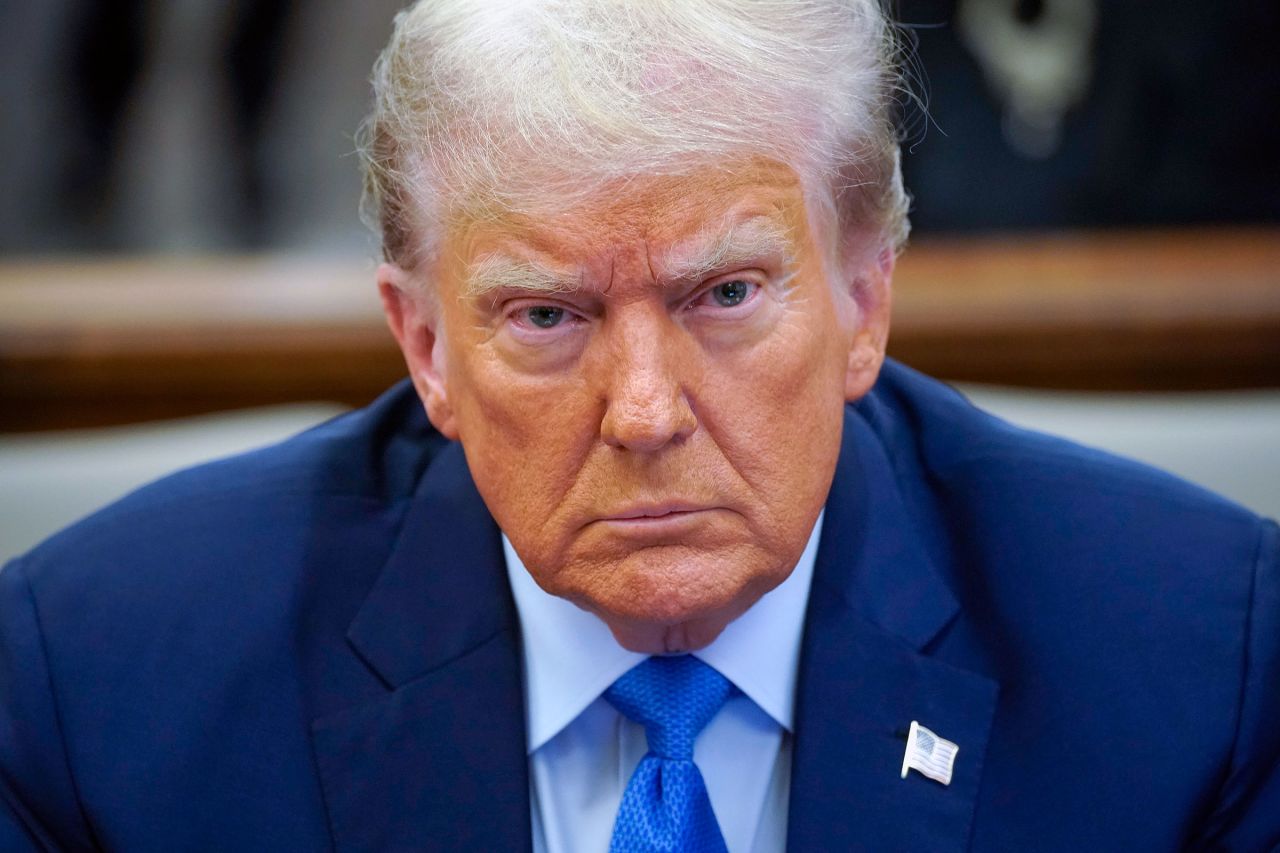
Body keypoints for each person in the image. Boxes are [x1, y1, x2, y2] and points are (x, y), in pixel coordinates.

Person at [1, 1, 1276, 850]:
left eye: (723, 296)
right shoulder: (96, 687)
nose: (646, 411)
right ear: (425, 346)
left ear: (863, 299)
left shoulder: (1194, 664)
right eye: (546, 316)